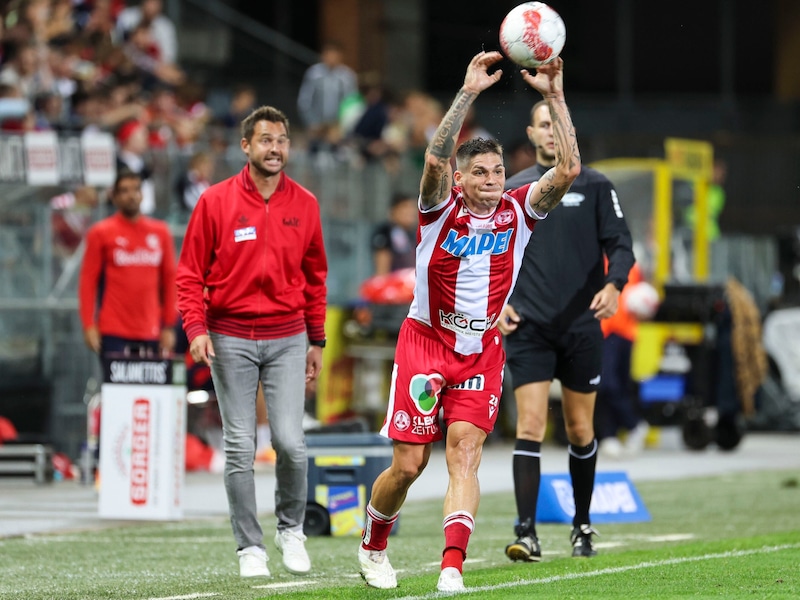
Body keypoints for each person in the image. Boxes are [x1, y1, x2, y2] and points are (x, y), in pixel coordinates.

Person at [356, 51, 580, 592]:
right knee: (409, 465)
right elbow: (433, 161)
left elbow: (567, 169)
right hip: (425, 345)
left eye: (498, 171)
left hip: (480, 349)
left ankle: (451, 567)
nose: (491, 179)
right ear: (460, 177)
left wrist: (554, 96)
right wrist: (467, 93)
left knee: (465, 450)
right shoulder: (439, 208)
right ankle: (372, 544)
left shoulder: (519, 211)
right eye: (479, 172)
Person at [176, 105, 328, 579]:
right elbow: (188, 274)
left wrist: (317, 340)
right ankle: (250, 549)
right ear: (245, 146)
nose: (275, 148)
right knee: (240, 446)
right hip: (229, 336)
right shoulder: (215, 202)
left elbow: (316, 277)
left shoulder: (305, 203)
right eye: (265, 140)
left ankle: (291, 531)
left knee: (291, 442)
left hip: (288, 336)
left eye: (281, 140)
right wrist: (196, 329)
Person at [499, 98, 635, 563]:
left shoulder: (595, 185)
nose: (552, 132)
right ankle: (527, 533)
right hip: (529, 326)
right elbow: (491, 257)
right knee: (531, 425)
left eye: (558, 124)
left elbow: (621, 245)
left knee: (580, 428)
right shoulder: (514, 189)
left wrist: (615, 284)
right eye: (543, 124)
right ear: (531, 133)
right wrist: (497, 304)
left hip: (581, 327)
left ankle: (581, 527)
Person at [78, 169, 177, 361]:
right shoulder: (100, 233)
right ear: (114, 197)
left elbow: (169, 280)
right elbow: (87, 281)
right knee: (116, 390)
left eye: (136, 189)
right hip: (113, 329)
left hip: (152, 329)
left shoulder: (161, 233)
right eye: (124, 190)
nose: (131, 195)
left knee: (150, 391)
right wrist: (88, 324)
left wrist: (169, 325)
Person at [595, 262, 650, 459]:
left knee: (617, 383)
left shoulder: (630, 263)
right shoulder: (595, 257)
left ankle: (626, 427)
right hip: (604, 330)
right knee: (606, 384)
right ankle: (614, 433)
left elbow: (641, 294)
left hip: (624, 332)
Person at [296, 41, 357, 155]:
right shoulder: (314, 74)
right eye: (329, 55)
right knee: (315, 157)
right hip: (317, 126)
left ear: (340, 56)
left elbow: (352, 105)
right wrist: (312, 123)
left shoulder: (348, 76)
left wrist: (342, 126)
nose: (331, 59)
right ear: (323, 56)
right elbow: (304, 101)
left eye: (335, 55)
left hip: (338, 128)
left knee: (339, 157)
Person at [370, 192, 417, 276]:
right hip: (394, 285)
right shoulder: (385, 232)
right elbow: (382, 271)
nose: (411, 212)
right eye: (405, 207)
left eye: (413, 208)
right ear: (393, 211)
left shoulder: (414, 234)